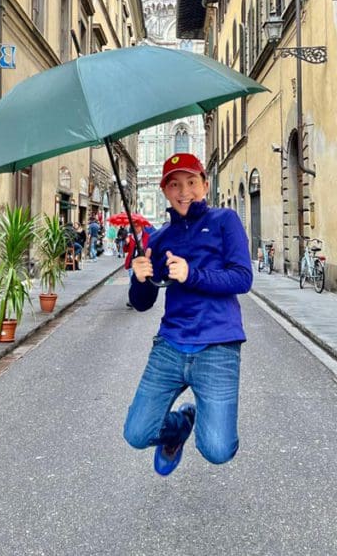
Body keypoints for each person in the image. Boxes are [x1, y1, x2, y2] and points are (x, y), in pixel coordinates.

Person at [123, 152, 252, 476]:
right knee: (136, 434)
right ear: (165, 190)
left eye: (192, 182)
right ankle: (179, 426)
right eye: (175, 184)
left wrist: (192, 274)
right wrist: (140, 278)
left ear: (205, 185)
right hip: (171, 344)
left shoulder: (225, 221)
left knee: (217, 450)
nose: (184, 192)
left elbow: (242, 277)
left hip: (218, 345)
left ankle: (200, 428)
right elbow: (142, 302)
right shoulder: (160, 237)